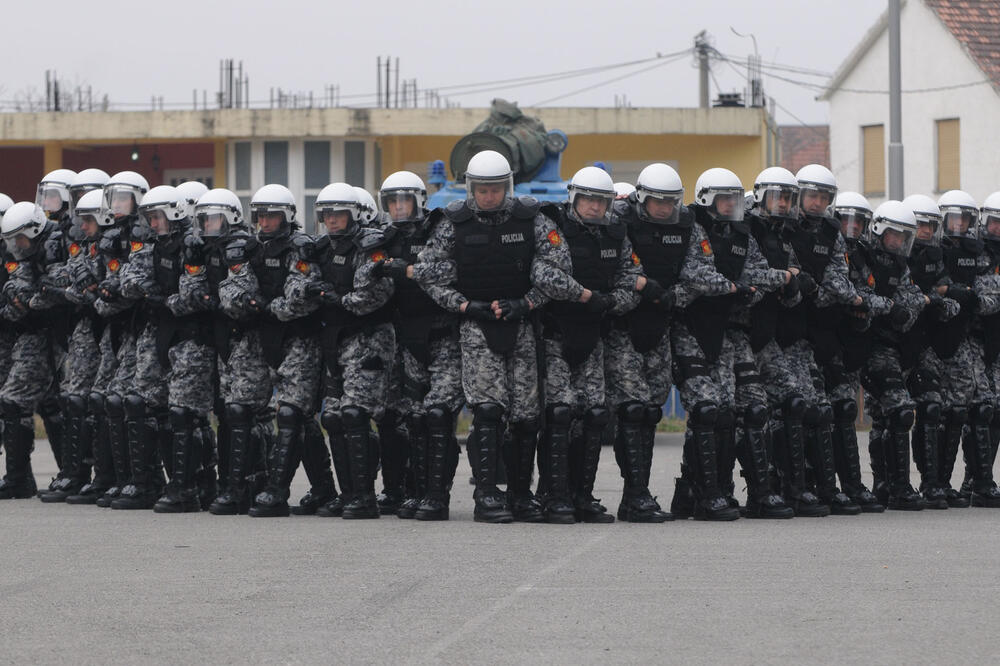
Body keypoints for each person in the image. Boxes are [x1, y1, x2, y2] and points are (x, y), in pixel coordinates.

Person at [415, 150, 580, 523]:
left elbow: (559, 269)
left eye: (496, 189)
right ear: (471, 188)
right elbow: (428, 274)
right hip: (476, 325)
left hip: (522, 324)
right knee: (488, 409)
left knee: (525, 415)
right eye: (482, 190)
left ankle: (521, 495)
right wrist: (462, 306)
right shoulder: (453, 222)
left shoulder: (533, 220)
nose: (489, 197)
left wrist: (528, 303)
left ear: (507, 187)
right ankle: (487, 495)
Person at [536, 166, 642, 523]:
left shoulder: (616, 233)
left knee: (595, 415)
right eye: (589, 200)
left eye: (602, 201)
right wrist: (583, 295)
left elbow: (632, 278)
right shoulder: (552, 227)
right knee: (560, 414)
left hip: (594, 332)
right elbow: (544, 274)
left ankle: (583, 495)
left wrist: (613, 303)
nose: (595, 207)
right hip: (556, 332)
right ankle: (555, 496)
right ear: (574, 198)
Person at [372, 171, 463, 520]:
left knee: (438, 417)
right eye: (392, 201)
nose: (398, 207)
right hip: (405, 336)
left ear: (420, 200)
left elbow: (447, 270)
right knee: (412, 419)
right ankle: (413, 491)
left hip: (442, 335)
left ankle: (437, 496)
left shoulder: (439, 230)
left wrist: (407, 270)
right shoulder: (382, 238)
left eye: (404, 200)